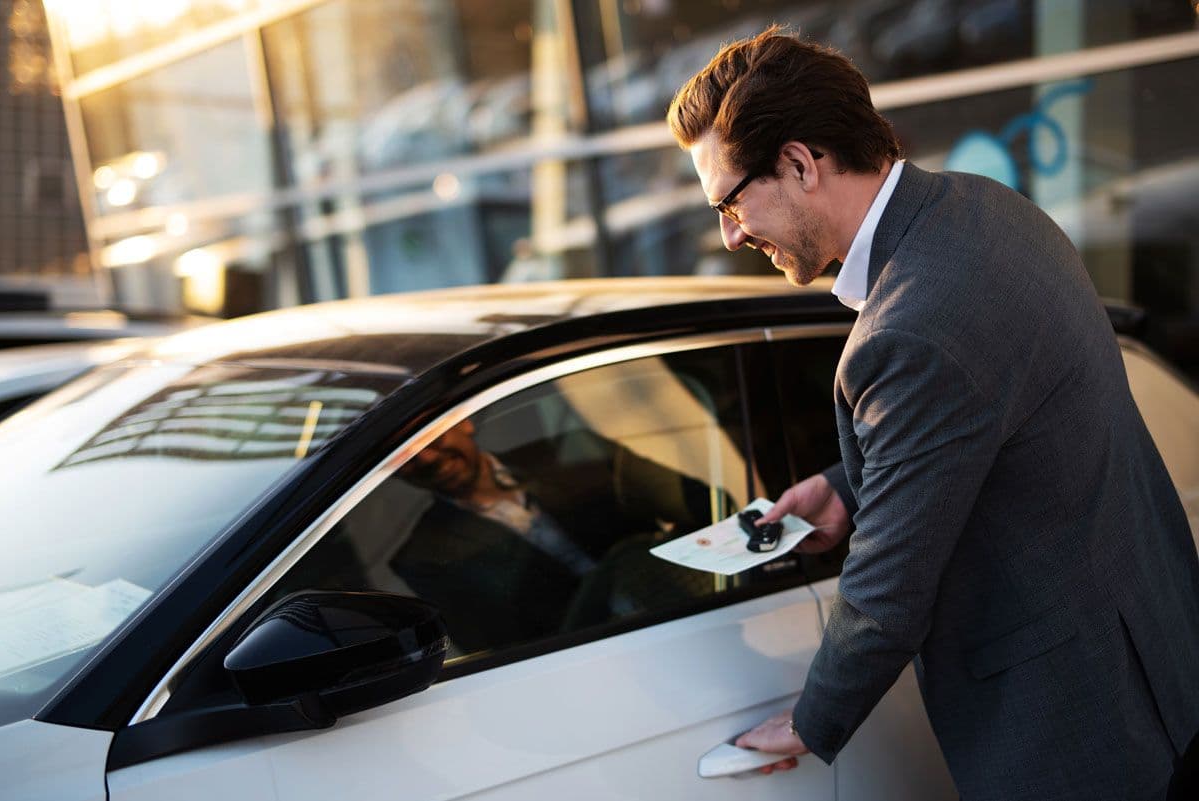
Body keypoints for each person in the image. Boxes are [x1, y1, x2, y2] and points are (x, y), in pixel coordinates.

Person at [667, 26, 1199, 801]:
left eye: (730, 200)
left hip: (1079, 733)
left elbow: (889, 587)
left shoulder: (907, 330)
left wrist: (812, 721)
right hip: (1160, 660)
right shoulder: (987, 210)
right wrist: (847, 487)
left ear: (801, 164)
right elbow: (982, 414)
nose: (728, 234)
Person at [390, 418, 719, 653]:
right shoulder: (423, 559)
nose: (426, 458)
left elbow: (707, 512)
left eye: (429, 439)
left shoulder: (572, 451)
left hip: (694, 608)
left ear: (464, 422)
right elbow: (498, 649)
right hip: (591, 659)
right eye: (404, 457)